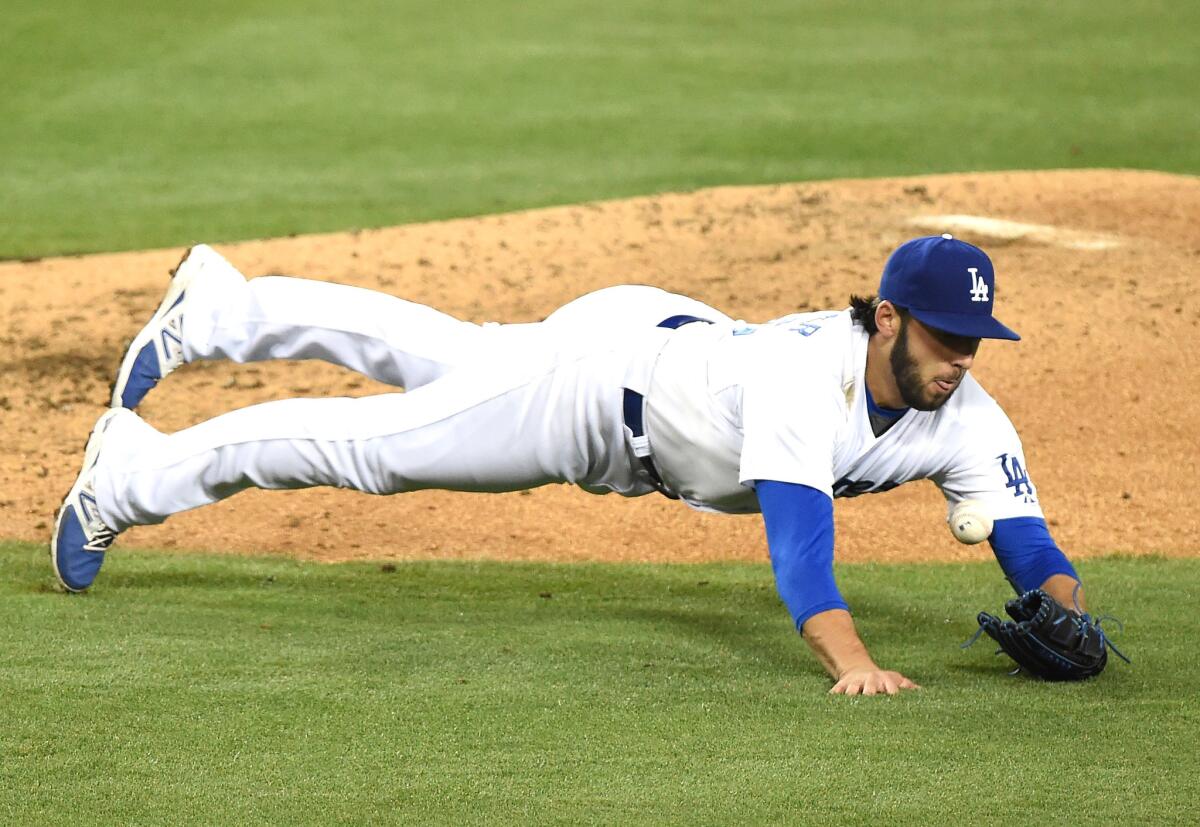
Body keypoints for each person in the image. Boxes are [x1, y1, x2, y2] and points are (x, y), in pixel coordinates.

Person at [51, 236, 1087, 695]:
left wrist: (1064, 606)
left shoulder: (967, 407)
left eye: (975, 340)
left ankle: (226, 306)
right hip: (594, 386)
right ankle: (130, 473)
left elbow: (1022, 532)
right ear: (889, 317)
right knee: (377, 448)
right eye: (945, 336)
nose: (961, 358)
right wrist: (852, 660)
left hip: (651, 347)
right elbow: (801, 552)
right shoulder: (803, 378)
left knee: (439, 350)